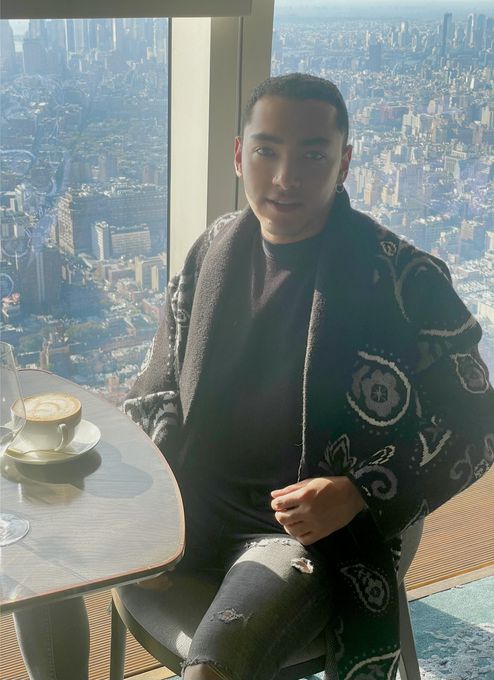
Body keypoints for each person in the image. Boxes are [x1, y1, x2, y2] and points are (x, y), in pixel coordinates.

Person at [14, 73, 494, 680]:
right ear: (240, 155)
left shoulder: (403, 280)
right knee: (39, 561)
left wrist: (359, 491)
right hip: (190, 507)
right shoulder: (213, 248)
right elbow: (157, 386)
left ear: (344, 163)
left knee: (210, 670)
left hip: (301, 539)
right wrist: (152, 517)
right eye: (267, 150)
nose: (285, 178)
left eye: (312, 155)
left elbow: (478, 421)